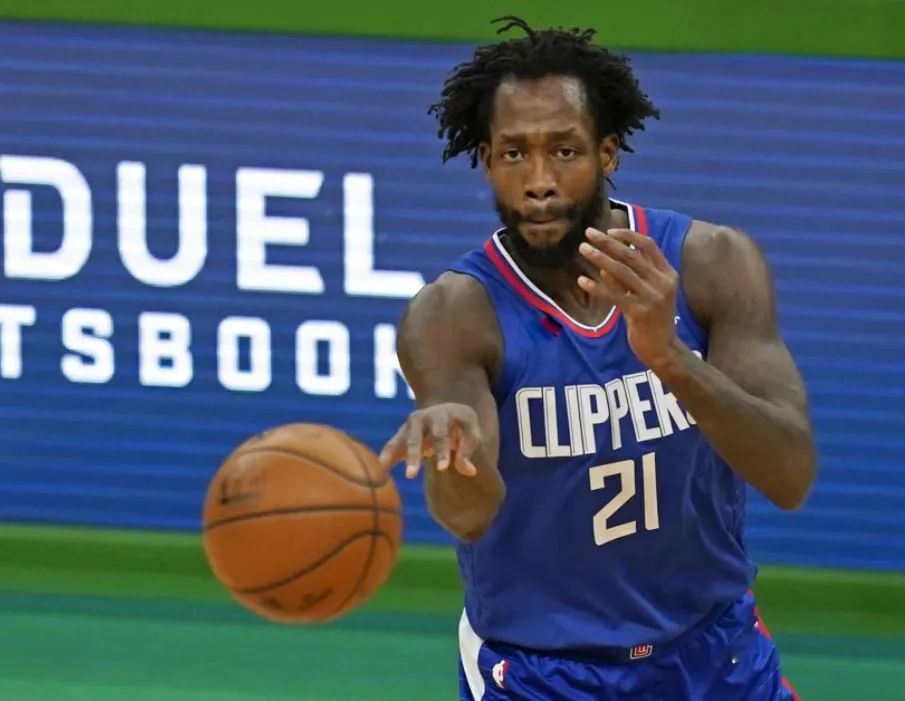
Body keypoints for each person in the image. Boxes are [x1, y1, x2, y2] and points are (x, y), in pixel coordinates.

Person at [379, 16, 815, 701]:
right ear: (487, 161)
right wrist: (452, 454)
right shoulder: (454, 314)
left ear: (607, 153)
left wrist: (671, 360)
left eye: (564, 151)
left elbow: (789, 473)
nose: (539, 181)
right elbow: (468, 515)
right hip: (541, 673)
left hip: (713, 653)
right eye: (514, 154)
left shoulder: (710, 264)